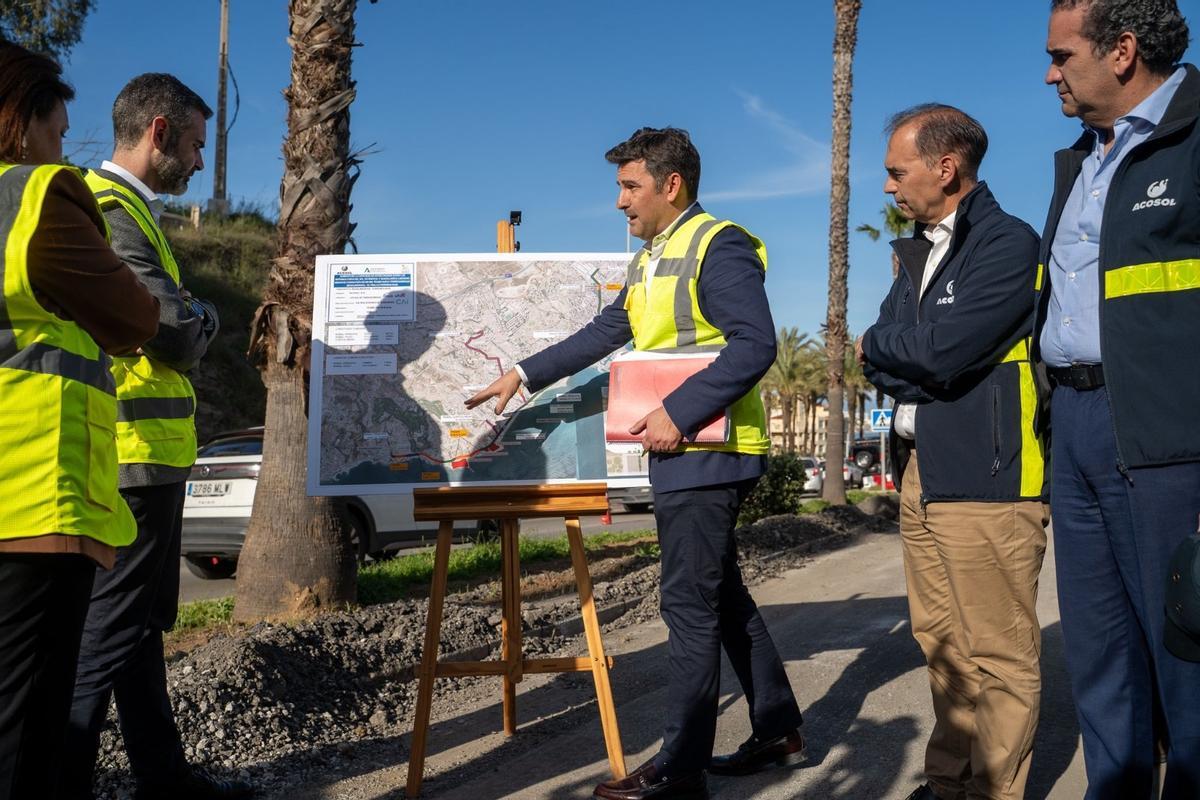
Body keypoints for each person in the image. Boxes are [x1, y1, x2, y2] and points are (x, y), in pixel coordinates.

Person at [468, 127, 803, 800]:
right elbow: (608, 330)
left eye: (630, 187)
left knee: (687, 606)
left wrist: (679, 412)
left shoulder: (719, 244)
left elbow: (755, 344)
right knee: (719, 596)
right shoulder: (654, 256)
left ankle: (679, 771)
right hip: (687, 451)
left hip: (708, 451)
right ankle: (777, 727)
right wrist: (523, 375)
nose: (620, 202)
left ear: (670, 184)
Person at [55, 75, 247, 800]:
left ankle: (163, 779)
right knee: (106, 634)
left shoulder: (130, 211)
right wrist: (201, 318)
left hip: (151, 459)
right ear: (160, 131)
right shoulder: (109, 210)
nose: (200, 162)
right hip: (129, 457)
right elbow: (170, 333)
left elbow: (175, 316)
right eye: (197, 144)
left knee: (138, 630)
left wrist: (193, 312)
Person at [857, 105, 1047, 800]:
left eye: (895, 172)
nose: (888, 188)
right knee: (940, 646)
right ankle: (950, 784)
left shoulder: (1007, 243)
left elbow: (939, 353)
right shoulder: (917, 250)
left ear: (947, 167)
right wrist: (891, 350)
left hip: (988, 477)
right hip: (919, 473)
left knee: (997, 655)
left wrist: (885, 348)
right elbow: (889, 353)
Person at [1036, 1, 1200, 796]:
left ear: (1124, 51)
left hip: (1171, 440)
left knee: (1188, 653)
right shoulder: (1079, 159)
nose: (1050, 72)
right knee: (1099, 656)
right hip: (1074, 425)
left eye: (1062, 54)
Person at [0, 41, 160, 800]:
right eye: (59, 130)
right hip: (30, 503)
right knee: (24, 720)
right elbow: (133, 316)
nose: (65, 146)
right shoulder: (37, 197)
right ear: (20, 121)